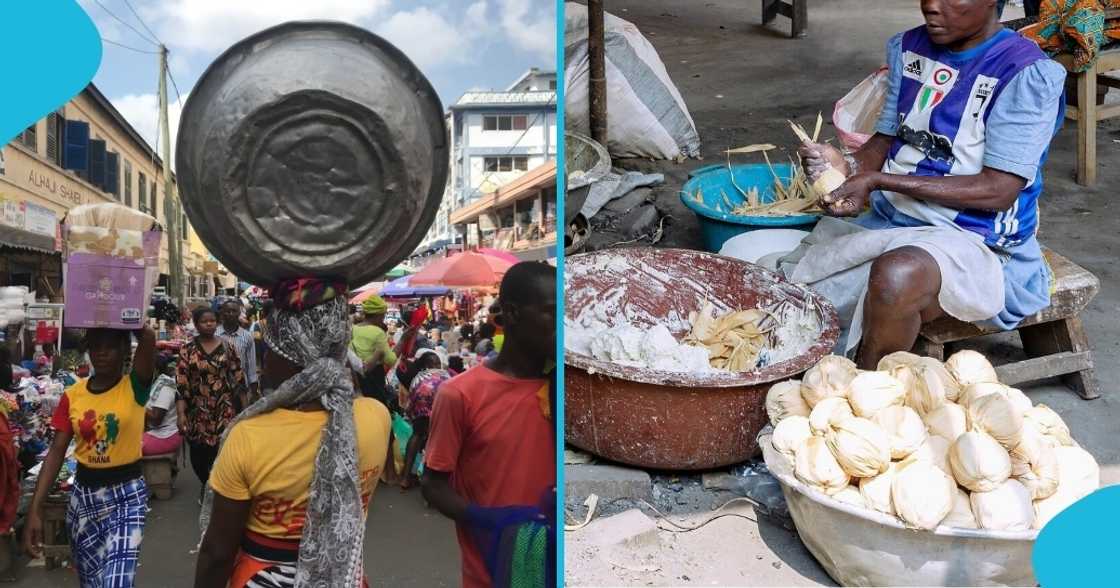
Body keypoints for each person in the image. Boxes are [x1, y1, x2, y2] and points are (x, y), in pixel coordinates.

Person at [796, 0, 1064, 369]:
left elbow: (999, 190)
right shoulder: (909, 49)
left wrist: (877, 180)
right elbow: (886, 140)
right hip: (894, 222)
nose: (932, 7)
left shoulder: (1023, 73)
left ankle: (870, 391)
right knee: (782, 286)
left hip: (977, 241)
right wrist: (848, 167)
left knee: (897, 277)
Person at [194, 280, 390, 588]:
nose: (265, 362)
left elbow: (218, 552)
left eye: (270, 349)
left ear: (290, 356)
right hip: (345, 578)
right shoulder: (376, 417)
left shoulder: (249, 437)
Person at [423, 262, 556, 588]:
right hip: (492, 571)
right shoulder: (459, 395)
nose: (561, 324)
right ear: (512, 314)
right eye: (551, 312)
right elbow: (433, 484)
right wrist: (490, 521)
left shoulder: (564, 385)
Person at [23, 326, 157, 586]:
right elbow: (56, 453)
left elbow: (148, 338)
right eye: (96, 346)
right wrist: (35, 509)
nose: (102, 353)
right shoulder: (73, 396)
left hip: (127, 497)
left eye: (110, 347)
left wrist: (122, 303)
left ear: (123, 351)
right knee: (92, 581)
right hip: (83, 498)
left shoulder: (136, 386)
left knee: (116, 582)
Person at [176, 307, 248, 503]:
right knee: (198, 453)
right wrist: (181, 413)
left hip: (223, 406)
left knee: (221, 450)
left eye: (212, 320)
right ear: (196, 324)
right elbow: (181, 383)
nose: (209, 324)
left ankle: (217, 488)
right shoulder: (187, 350)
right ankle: (205, 483)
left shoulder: (227, 347)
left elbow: (239, 378)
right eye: (204, 321)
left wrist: (246, 410)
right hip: (196, 409)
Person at [397, 348, 450, 491]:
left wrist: (411, 416)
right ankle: (429, 483)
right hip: (441, 411)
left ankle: (405, 478)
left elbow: (410, 402)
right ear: (437, 364)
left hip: (421, 412)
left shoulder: (418, 377)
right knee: (436, 441)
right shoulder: (447, 376)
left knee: (417, 436)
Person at [218, 299, 259, 403]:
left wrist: (253, 392)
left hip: (240, 389)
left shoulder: (247, 336)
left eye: (234, 311)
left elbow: (251, 365)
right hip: (218, 388)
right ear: (222, 314)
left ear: (239, 313)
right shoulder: (214, 334)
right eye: (227, 311)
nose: (231, 314)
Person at [142, 355, 182, 456]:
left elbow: (156, 419)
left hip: (165, 436)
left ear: (155, 369)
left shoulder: (166, 387)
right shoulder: (155, 384)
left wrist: (137, 405)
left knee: (127, 447)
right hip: (157, 433)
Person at [250, 300, 273, 366]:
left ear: (263, 311)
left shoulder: (258, 325)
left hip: (265, 359)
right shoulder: (280, 323)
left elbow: (256, 342)